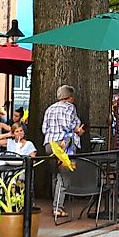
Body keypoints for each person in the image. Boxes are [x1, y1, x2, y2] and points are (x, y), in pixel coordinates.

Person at [41, 85, 84, 220]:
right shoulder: (70, 107)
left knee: (55, 174)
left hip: (49, 144)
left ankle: (56, 204)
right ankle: (58, 207)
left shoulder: (50, 109)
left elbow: (44, 128)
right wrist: (77, 131)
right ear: (70, 97)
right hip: (63, 144)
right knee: (64, 176)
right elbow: (69, 125)